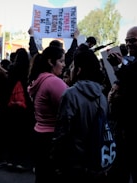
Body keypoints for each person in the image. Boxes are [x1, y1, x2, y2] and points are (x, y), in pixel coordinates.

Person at [56, 44, 107, 183]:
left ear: (78, 70)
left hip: (74, 161)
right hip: (96, 159)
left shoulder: (71, 94)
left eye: (72, 67)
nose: (70, 70)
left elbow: (63, 131)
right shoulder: (102, 95)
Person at [107, 26, 137, 183]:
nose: (129, 44)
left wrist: (121, 66)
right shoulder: (136, 58)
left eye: (133, 40)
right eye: (127, 40)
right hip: (127, 127)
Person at [27, 46, 68, 183]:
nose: (64, 65)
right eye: (61, 61)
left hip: (40, 134)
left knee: (43, 175)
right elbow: (70, 107)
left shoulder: (41, 79)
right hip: (52, 137)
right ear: (51, 62)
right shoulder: (53, 81)